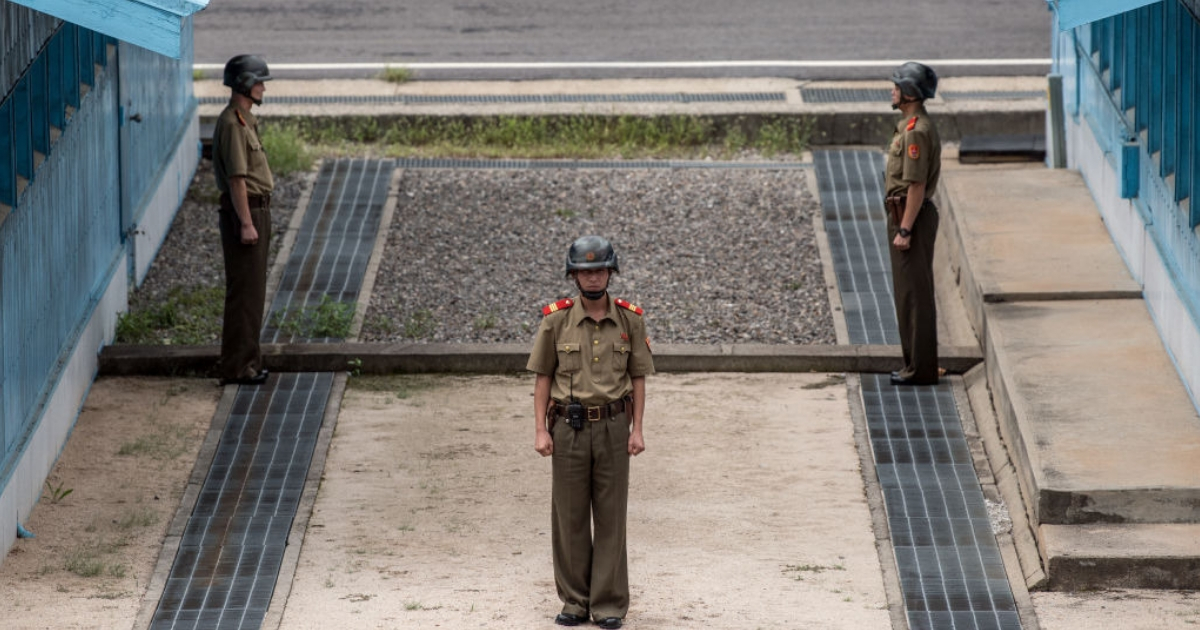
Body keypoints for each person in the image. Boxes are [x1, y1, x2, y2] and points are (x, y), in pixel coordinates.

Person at [527, 235, 655, 629]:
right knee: (569, 517)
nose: (593, 278)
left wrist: (638, 430)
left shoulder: (630, 319)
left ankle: (609, 604)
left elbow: (638, 377)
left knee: (612, 515)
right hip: (568, 427)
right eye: (585, 271)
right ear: (573, 276)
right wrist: (539, 431)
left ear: (610, 273)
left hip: (615, 427)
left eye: (599, 270)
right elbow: (543, 378)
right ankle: (574, 601)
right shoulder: (555, 320)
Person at [212, 54, 274, 386]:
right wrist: (247, 223)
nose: (264, 88)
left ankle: (248, 361)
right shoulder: (233, 124)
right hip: (245, 211)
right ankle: (237, 366)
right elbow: (237, 179)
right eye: (260, 82)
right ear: (245, 85)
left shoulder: (245, 120)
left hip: (255, 208)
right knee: (245, 294)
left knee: (253, 292)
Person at [884, 61, 942, 386]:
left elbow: (916, 186)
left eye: (896, 86)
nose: (891, 91)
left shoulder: (916, 131)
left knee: (914, 298)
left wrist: (905, 229)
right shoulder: (910, 125)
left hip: (910, 217)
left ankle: (919, 369)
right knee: (908, 294)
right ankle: (916, 365)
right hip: (903, 214)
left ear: (908, 93)